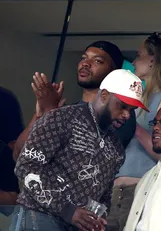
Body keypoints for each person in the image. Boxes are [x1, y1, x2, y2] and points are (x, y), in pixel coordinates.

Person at [10, 69, 149, 231]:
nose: (126, 115)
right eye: (123, 106)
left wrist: (97, 219)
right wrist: (68, 211)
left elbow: (104, 195)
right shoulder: (62, 119)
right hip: (39, 217)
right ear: (104, 96)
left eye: (131, 110)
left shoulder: (116, 148)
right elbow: (26, 166)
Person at [107, 33, 161, 231]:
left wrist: (134, 128)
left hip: (140, 190)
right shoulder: (139, 98)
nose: (134, 61)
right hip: (114, 190)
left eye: (139, 55)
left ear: (152, 60)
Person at [12, 41, 136, 161]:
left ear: (113, 73)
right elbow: (19, 155)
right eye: (83, 58)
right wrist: (43, 114)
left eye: (97, 61)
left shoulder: (120, 111)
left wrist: (52, 115)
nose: (86, 63)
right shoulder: (68, 112)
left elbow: (84, 160)